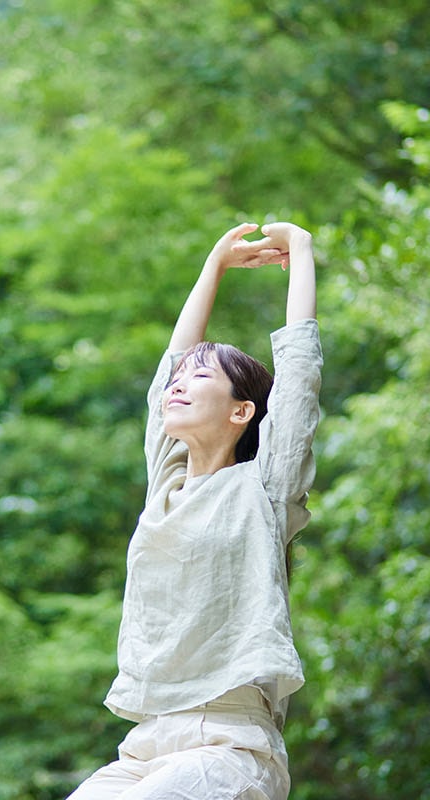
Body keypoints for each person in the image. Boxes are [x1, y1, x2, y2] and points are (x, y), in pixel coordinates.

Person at [67, 220, 322, 800]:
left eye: (199, 377)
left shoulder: (264, 488)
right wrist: (214, 266)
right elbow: (168, 366)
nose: (177, 386)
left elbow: (299, 381)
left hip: (229, 744)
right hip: (146, 745)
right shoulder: (167, 486)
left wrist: (301, 251)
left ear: (242, 412)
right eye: (178, 381)